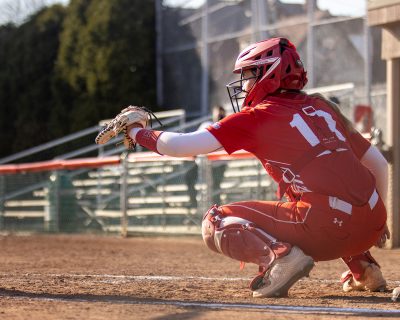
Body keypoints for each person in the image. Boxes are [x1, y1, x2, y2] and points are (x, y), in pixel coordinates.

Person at [125, 38, 389, 298]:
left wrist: (137, 132)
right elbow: (378, 163)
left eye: (249, 75)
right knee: (315, 192)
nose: (244, 84)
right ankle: (364, 268)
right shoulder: (323, 107)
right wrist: (379, 218)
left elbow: (182, 146)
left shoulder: (259, 115)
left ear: (269, 72)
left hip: (328, 227)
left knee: (214, 221)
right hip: (373, 220)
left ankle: (281, 258)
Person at [184, 105, 227, 208]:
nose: (219, 115)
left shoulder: (227, 127)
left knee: (215, 187)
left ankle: (216, 208)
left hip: (218, 164)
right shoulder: (207, 124)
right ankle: (194, 204)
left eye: (221, 113)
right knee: (189, 178)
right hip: (203, 162)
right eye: (218, 113)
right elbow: (195, 140)